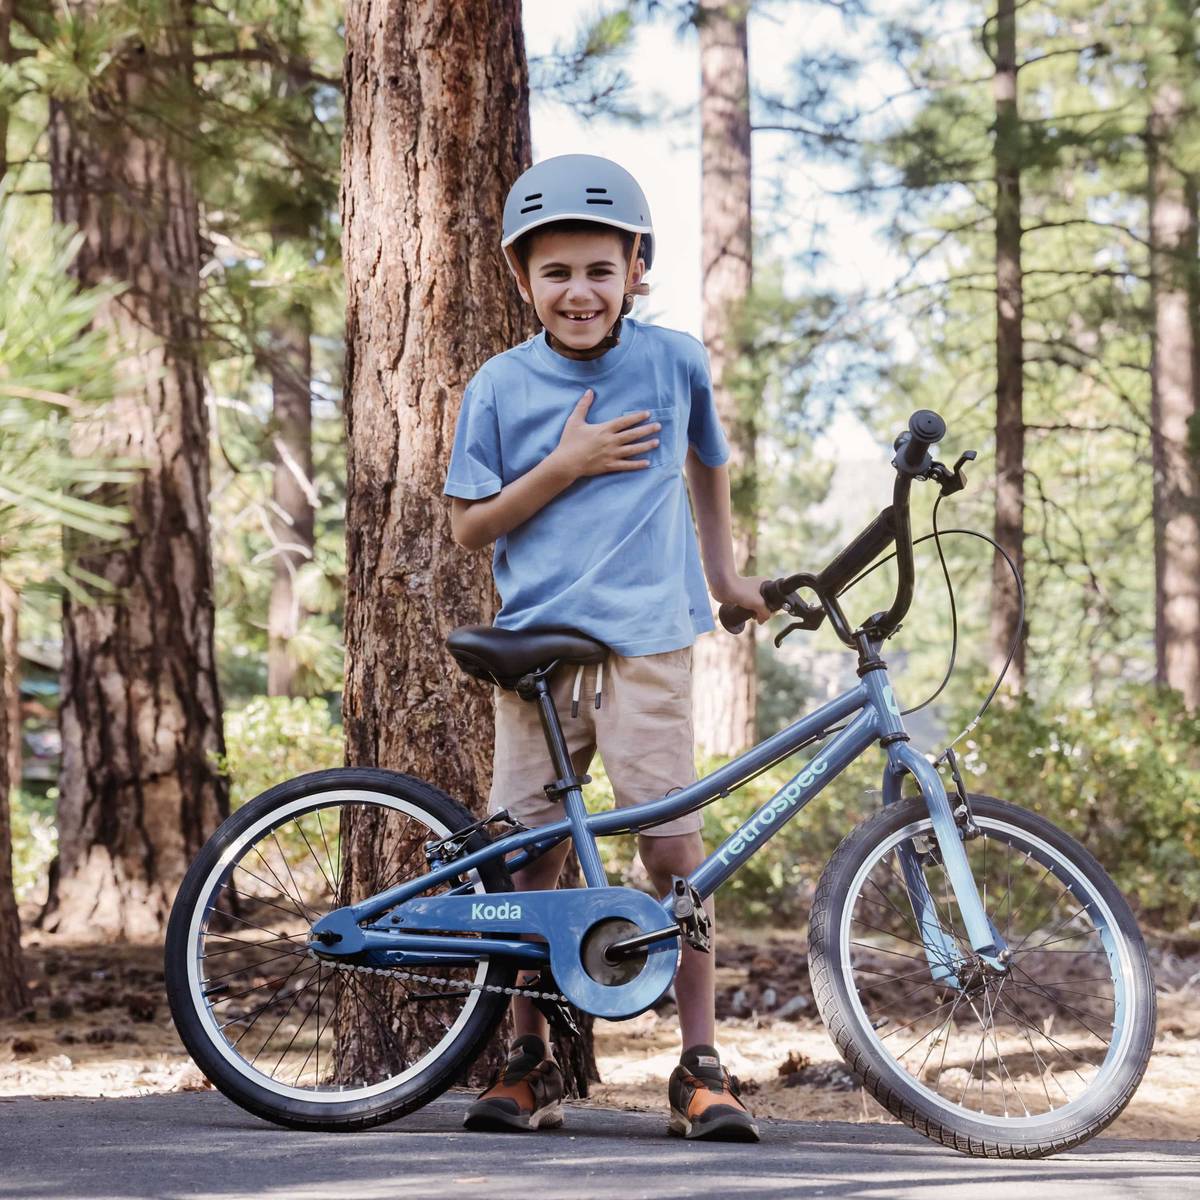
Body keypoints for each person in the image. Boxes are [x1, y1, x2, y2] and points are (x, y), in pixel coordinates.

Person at [443, 154, 771, 1141]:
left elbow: (707, 462)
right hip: (536, 652)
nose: (578, 292)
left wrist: (724, 579)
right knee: (526, 866)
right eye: (556, 273)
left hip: (646, 646)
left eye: (599, 269)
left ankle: (699, 1063)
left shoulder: (674, 360)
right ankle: (528, 1057)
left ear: (636, 267)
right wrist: (566, 463)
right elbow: (470, 526)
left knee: (674, 852)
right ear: (521, 280)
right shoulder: (499, 385)